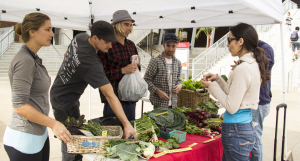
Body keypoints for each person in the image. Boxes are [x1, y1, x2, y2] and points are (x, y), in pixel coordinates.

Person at [50, 20, 137, 161]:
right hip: (63, 101)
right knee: (70, 140)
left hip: (64, 94)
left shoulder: (81, 37)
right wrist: (127, 125)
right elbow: (109, 95)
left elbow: (68, 52)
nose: (111, 45)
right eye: (107, 42)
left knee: (74, 136)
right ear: (95, 38)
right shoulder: (91, 63)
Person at [3, 12, 72, 161]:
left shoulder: (33, 58)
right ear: (32, 32)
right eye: (47, 29)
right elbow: (19, 106)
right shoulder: (24, 61)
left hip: (38, 135)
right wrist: (53, 123)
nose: (52, 34)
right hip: (24, 138)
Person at [201, 23, 270, 161]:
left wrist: (211, 86)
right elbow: (232, 92)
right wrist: (218, 79)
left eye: (229, 40)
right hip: (241, 129)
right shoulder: (251, 64)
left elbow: (231, 106)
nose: (227, 45)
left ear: (240, 41)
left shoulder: (243, 68)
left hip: (236, 131)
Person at [97, 10, 140, 121]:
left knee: (130, 136)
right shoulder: (106, 45)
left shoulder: (131, 45)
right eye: (126, 24)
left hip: (130, 100)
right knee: (114, 136)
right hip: (113, 101)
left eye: (131, 25)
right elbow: (99, 75)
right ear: (116, 25)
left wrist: (137, 64)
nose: (129, 28)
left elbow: (136, 70)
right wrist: (122, 70)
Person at [144, 33, 182, 109]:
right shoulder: (155, 61)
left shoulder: (178, 63)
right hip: (159, 104)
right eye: (168, 46)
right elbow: (146, 80)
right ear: (163, 45)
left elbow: (179, 80)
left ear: (176, 46)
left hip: (174, 103)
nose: (171, 49)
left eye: (173, 46)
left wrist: (180, 86)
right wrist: (158, 92)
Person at [250, 40, 274, 161]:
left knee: (255, 138)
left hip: (259, 102)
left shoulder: (266, 48)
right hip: (255, 102)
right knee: (252, 138)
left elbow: (262, 71)